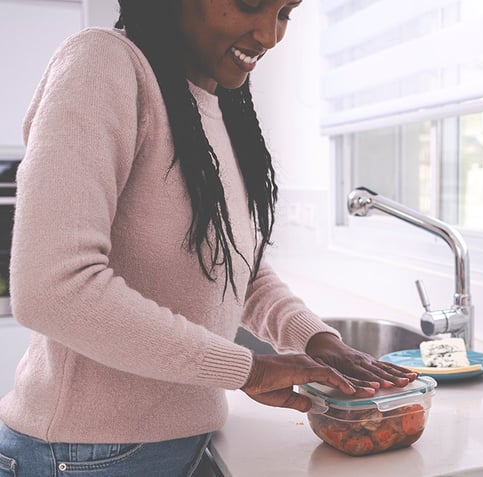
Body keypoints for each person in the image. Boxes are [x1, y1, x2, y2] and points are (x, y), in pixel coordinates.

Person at [0, 1, 417, 475]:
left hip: (179, 441)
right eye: (251, 4)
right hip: (84, 454)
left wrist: (317, 338)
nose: (271, 34)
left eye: (285, 12)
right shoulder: (103, 64)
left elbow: (233, 266)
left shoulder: (214, 102)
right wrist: (250, 369)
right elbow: (52, 290)